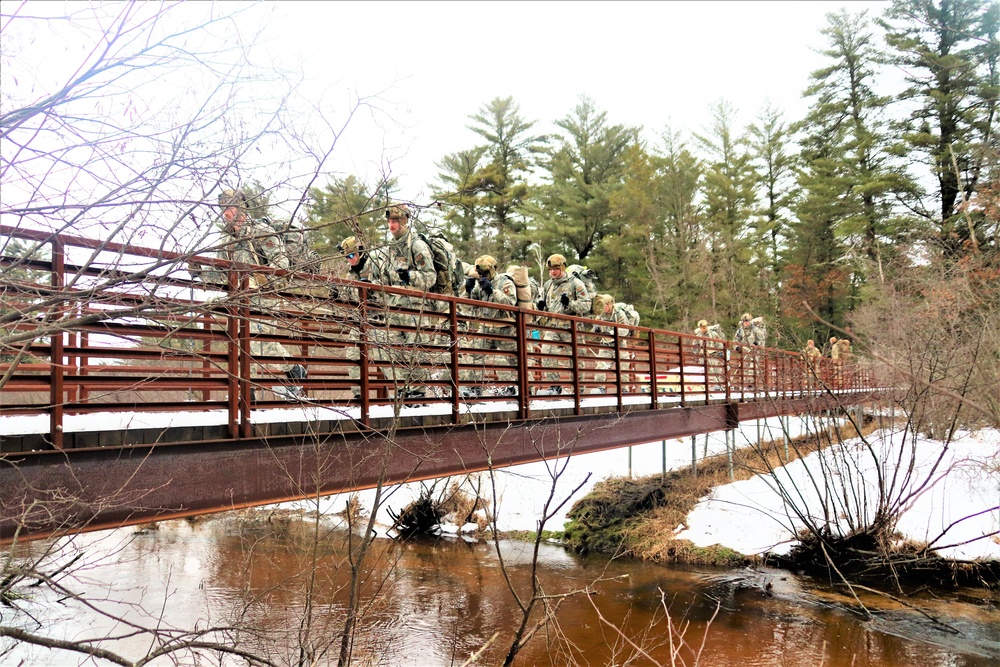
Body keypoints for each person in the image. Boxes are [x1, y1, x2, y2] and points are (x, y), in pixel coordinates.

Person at [188, 189, 307, 401]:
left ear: (241, 208)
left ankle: (294, 369)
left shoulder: (260, 231)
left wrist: (262, 280)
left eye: (230, 207)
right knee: (242, 346)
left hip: (264, 300)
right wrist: (200, 271)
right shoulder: (226, 239)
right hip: (240, 302)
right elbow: (219, 275)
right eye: (223, 208)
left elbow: (281, 264)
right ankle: (247, 395)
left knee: (258, 344)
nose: (226, 212)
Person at [367, 204, 439, 401]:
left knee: (415, 354)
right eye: (390, 221)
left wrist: (410, 276)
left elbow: (430, 277)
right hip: (393, 309)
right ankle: (402, 392)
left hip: (415, 309)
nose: (392, 225)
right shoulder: (389, 248)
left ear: (404, 221)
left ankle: (417, 395)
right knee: (387, 351)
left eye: (396, 221)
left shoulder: (416, 245)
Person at [535, 254, 591, 394]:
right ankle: (554, 386)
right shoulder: (548, 285)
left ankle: (579, 389)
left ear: (562, 268)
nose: (552, 272)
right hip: (552, 326)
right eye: (550, 269)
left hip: (570, 326)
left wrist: (570, 304)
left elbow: (586, 305)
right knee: (547, 353)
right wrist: (541, 307)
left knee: (576, 359)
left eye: (556, 269)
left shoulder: (575, 283)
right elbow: (546, 305)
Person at [463, 255, 518, 396]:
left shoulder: (505, 283)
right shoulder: (479, 284)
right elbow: (468, 306)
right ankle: (474, 389)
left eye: (486, 273)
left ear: (494, 269)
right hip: (486, 327)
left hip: (504, 329)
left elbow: (510, 303)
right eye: (481, 273)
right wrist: (467, 291)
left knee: (515, 360)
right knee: (475, 353)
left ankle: (524, 389)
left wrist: (492, 291)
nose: (483, 276)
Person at [733, 312, 765, 390]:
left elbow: (761, 338)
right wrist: (736, 347)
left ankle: (751, 384)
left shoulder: (755, 329)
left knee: (753, 367)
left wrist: (756, 343)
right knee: (744, 367)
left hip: (755, 351)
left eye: (747, 320)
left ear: (750, 321)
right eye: (744, 321)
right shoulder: (740, 330)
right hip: (745, 351)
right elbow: (736, 339)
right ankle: (744, 383)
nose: (745, 322)